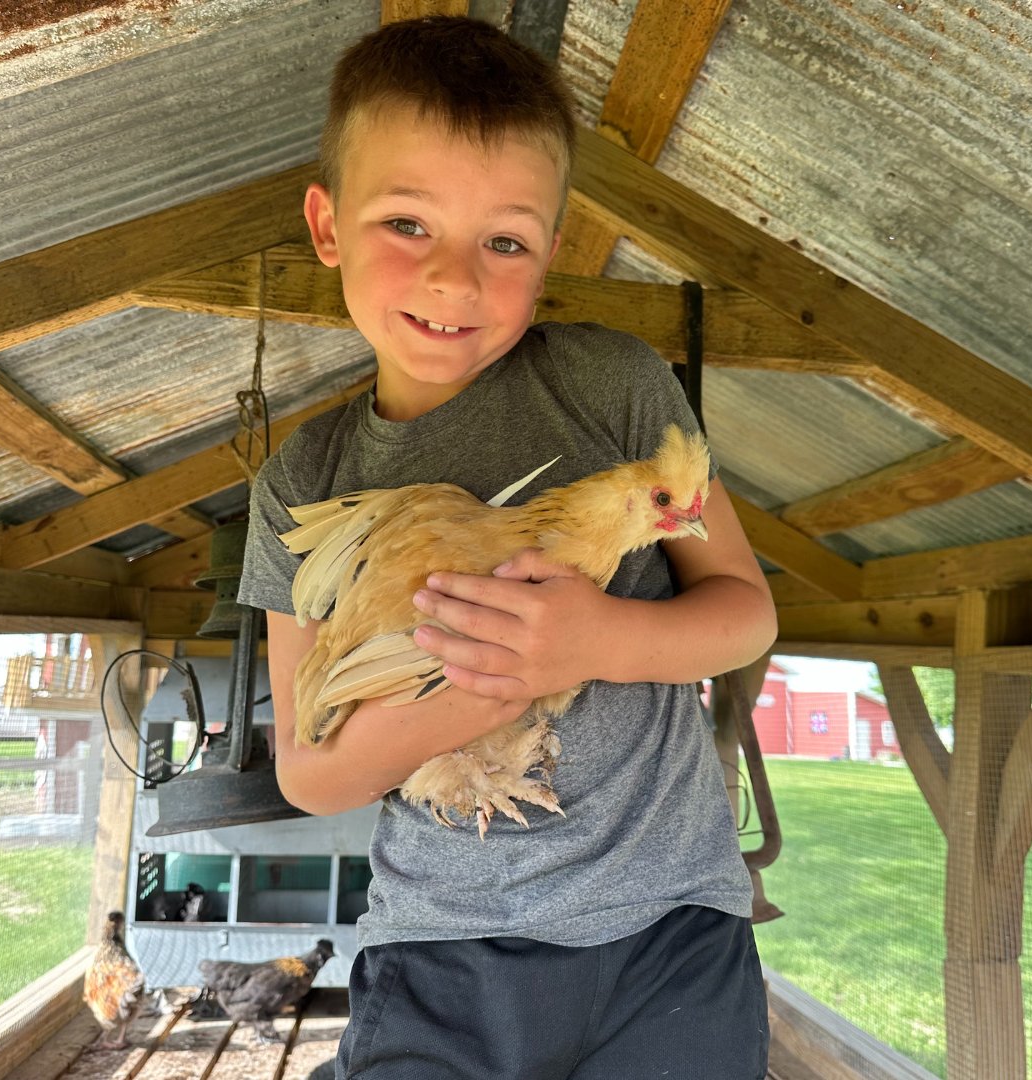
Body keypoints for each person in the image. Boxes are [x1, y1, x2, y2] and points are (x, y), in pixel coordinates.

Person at [238, 15, 777, 1080]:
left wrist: (595, 640)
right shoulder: (303, 481)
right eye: (407, 223)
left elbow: (744, 611)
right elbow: (308, 775)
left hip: (667, 929)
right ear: (327, 223)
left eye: (505, 241)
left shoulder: (617, 389)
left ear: (553, 249)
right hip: (440, 941)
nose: (455, 281)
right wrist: (475, 697)